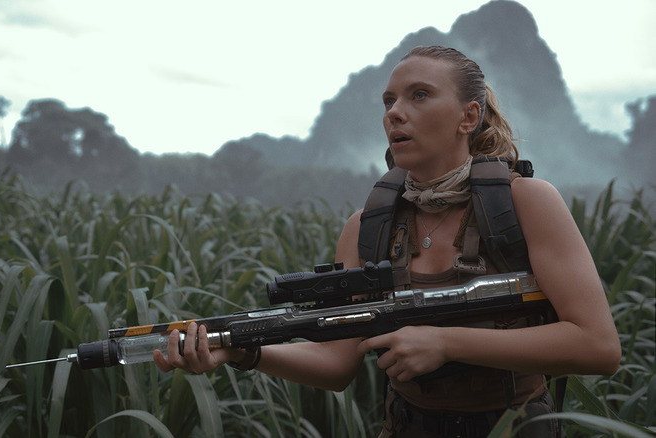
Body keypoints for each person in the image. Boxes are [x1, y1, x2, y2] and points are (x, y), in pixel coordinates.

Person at [153, 46, 621, 437]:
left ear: (468, 116)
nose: (395, 112)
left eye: (419, 96)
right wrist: (241, 350)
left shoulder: (525, 204)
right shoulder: (367, 227)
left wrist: (446, 343)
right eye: (389, 101)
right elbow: (337, 364)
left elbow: (597, 346)